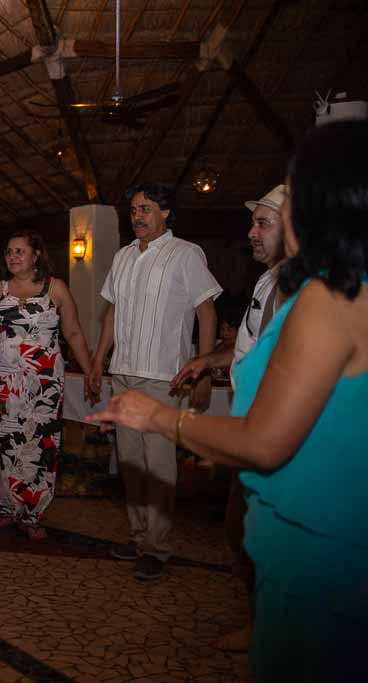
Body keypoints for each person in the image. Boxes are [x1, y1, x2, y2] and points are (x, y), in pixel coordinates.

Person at [90, 120, 368, 682]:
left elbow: (266, 442)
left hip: (315, 542)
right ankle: (140, 536)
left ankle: (159, 546)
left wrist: (166, 417)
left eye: (289, 195)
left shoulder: (326, 297)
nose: (271, 219)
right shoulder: (341, 288)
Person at [172, 183, 288, 650]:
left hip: (268, 427)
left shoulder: (299, 288)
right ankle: (264, 620)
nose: (251, 232)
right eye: (253, 222)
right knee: (243, 529)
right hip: (251, 421)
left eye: (263, 224)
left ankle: (274, 628)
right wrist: (207, 361)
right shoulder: (267, 279)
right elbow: (247, 344)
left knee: (253, 531)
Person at [88, 182, 221, 581]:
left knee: (158, 462)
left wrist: (203, 365)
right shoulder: (124, 256)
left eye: (145, 209)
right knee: (129, 462)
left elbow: (207, 312)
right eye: (133, 211)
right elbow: (111, 315)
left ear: (166, 213)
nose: (137, 216)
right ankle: (138, 536)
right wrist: (98, 359)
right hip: (124, 372)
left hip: (164, 377)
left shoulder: (186, 254)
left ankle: (158, 547)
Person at [0, 231, 94, 539]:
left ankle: (33, 512)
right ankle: (7, 507)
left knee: (40, 443)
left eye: (20, 251)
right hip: (6, 381)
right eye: (9, 251)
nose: (12, 256)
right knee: (5, 441)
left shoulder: (57, 288)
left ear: (36, 255)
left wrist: (91, 370)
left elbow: (74, 333)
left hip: (44, 383)